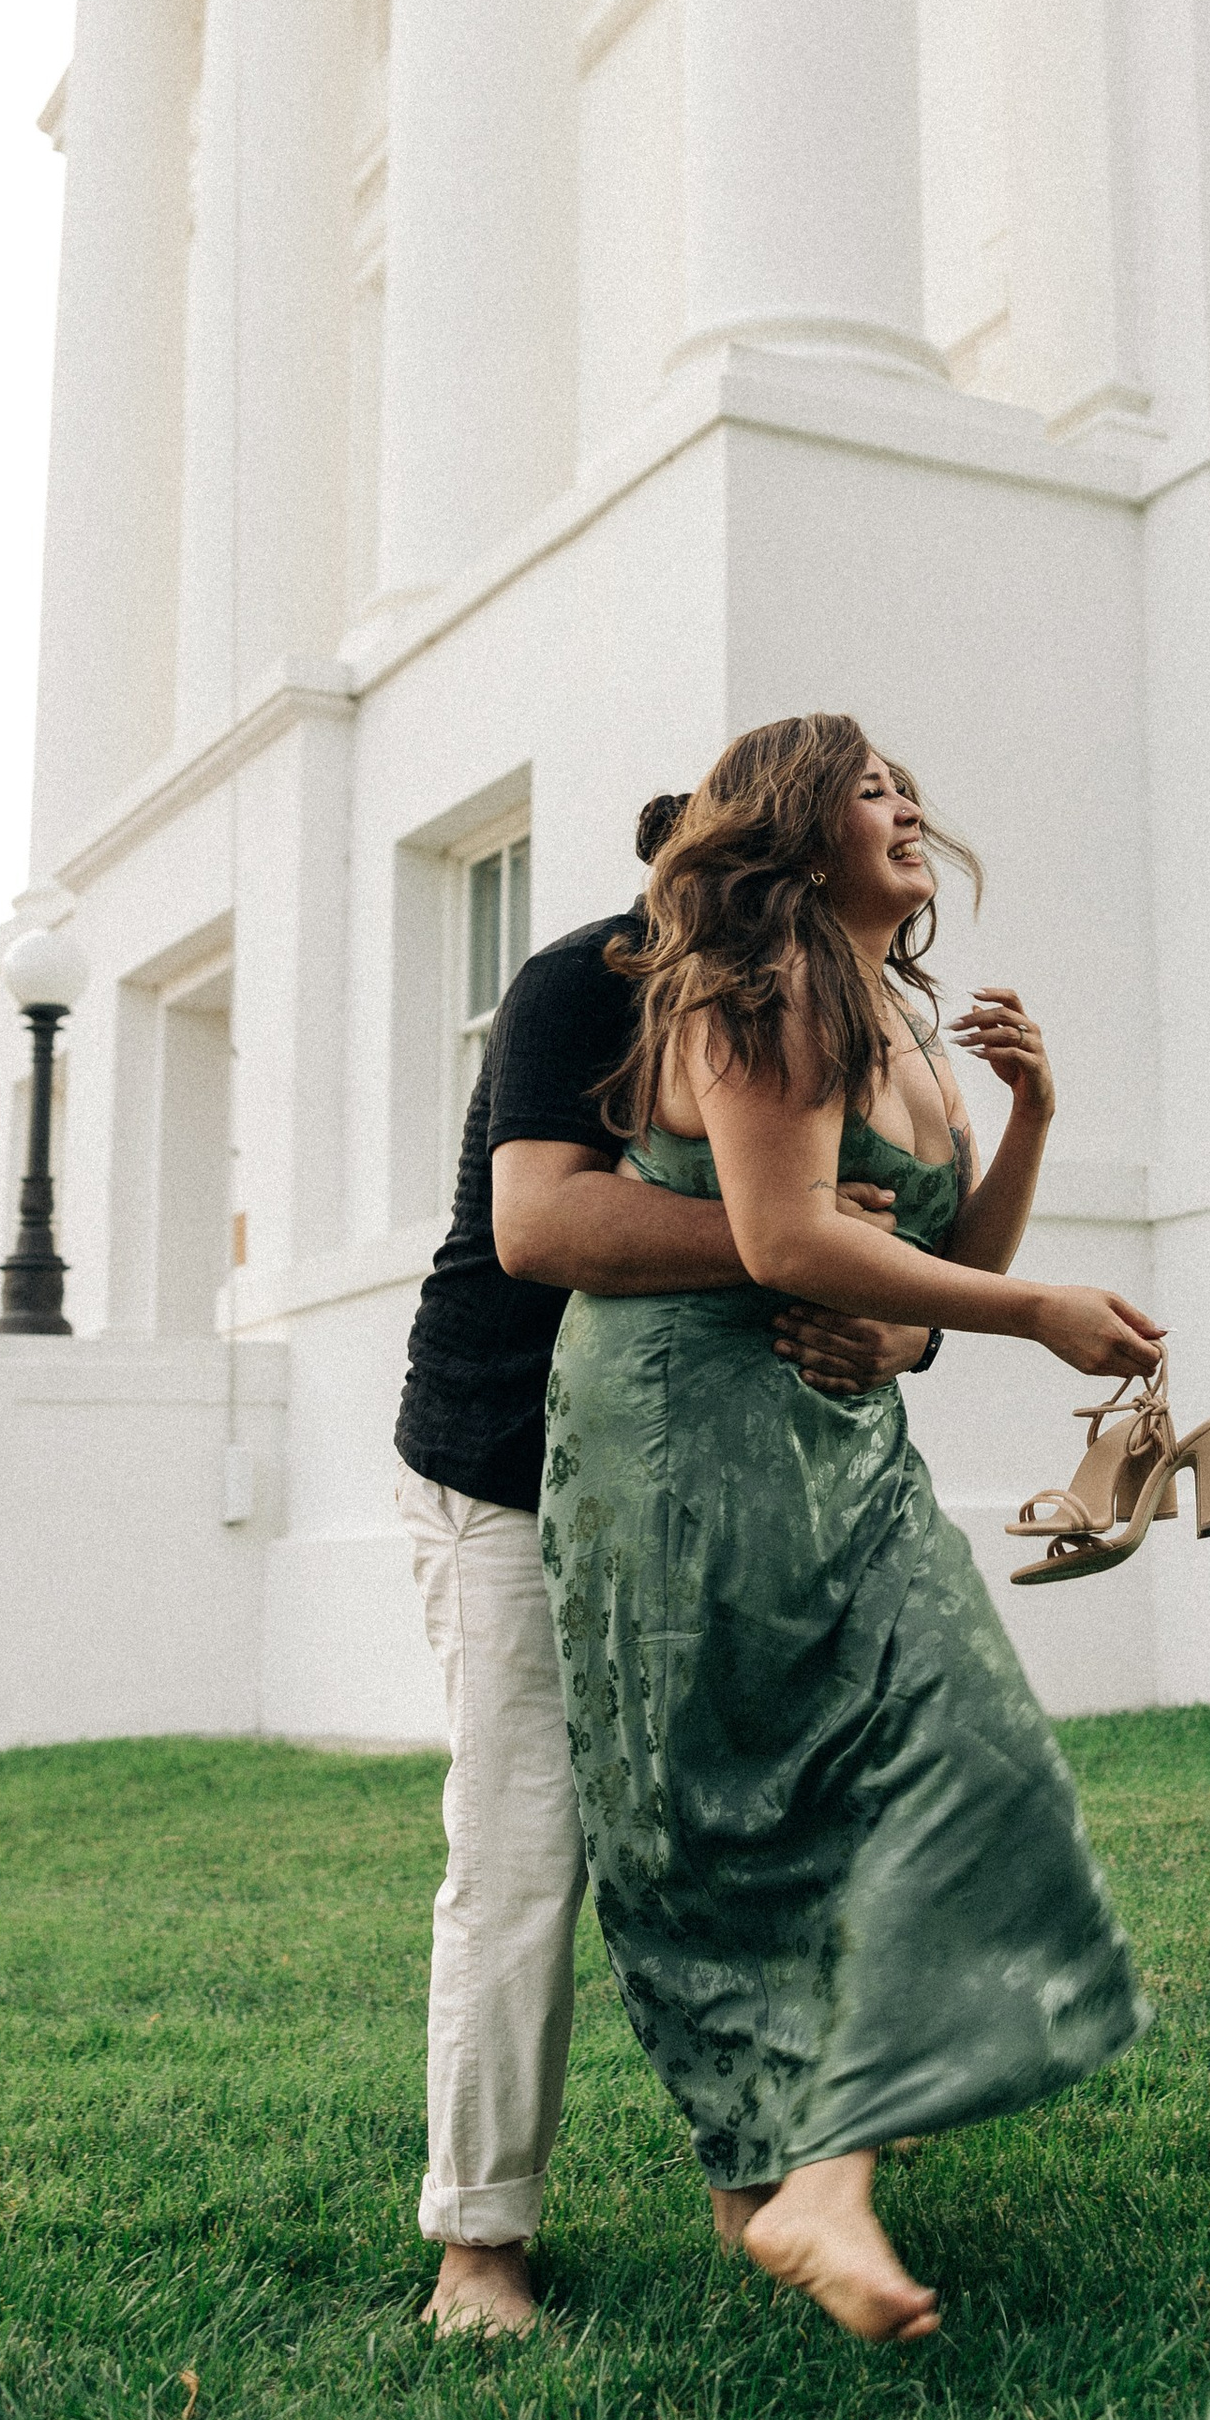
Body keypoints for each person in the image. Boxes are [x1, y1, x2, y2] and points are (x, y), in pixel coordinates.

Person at [542, 714, 1164, 2345]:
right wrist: (1036, 1310)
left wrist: (1029, 1122)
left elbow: (938, 1256)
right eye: (864, 791)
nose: (902, 808)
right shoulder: (756, 992)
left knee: (965, 1753)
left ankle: (817, 2180)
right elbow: (783, 1233)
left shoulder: (902, 1021)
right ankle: (801, 2183)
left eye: (905, 788)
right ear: (796, 838)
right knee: (750, 1804)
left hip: (843, 1437)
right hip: (691, 1440)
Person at [392, 789, 937, 2338]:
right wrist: (795, 1229)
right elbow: (543, 1223)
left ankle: (762, 2184)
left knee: (766, 1825)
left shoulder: (829, 1016)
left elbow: (888, 1275)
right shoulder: (590, 979)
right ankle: (479, 2245)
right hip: (506, 1476)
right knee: (522, 1855)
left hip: (716, 1489)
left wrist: (893, 1315)